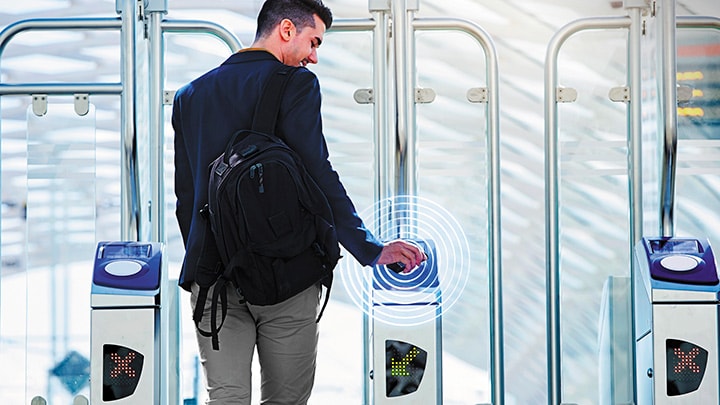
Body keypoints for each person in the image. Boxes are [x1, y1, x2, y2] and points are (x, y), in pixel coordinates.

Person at [172, 0, 427, 403]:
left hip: (214, 278)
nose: (314, 57)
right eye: (314, 42)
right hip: (285, 273)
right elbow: (317, 173)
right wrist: (369, 248)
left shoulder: (189, 96)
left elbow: (186, 198)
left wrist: (211, 255)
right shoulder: (296, 83)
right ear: (287, 29)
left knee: (226, 398)